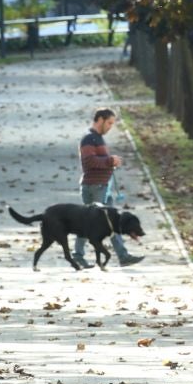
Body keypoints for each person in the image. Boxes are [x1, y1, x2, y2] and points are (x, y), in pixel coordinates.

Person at [73, 107, 143, 266]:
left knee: (109, 223)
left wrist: (111, 162)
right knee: (102, 223)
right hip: (95, 187)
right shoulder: (89, 139)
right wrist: (110, 161)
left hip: (102, 187)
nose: (111, 127)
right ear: (100, 120)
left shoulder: (97, 138)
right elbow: (89, 162)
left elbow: (101, 161)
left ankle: (121, 256)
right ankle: (79, 255)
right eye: (109, 123)